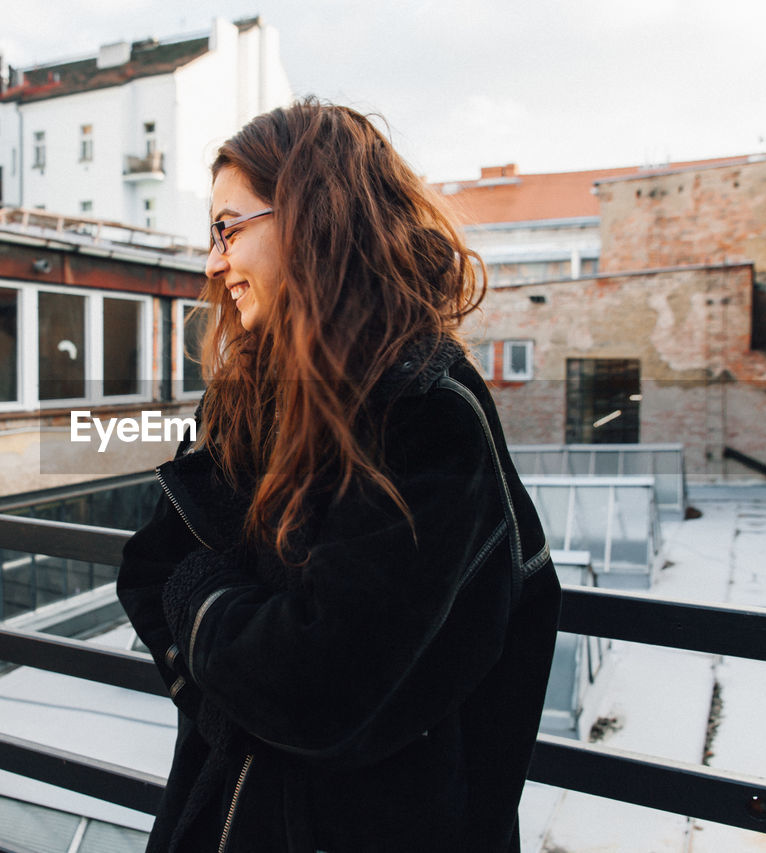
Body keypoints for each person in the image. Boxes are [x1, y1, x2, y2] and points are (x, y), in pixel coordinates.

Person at [117, 98, 561, 853]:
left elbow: (318, 687)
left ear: (312, 218)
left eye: (229, 228)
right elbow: (147, 568)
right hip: (225, 816)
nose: (214, 261)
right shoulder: (245, 396)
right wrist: (239, 701)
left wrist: (207, 606)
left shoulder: (424, 414)